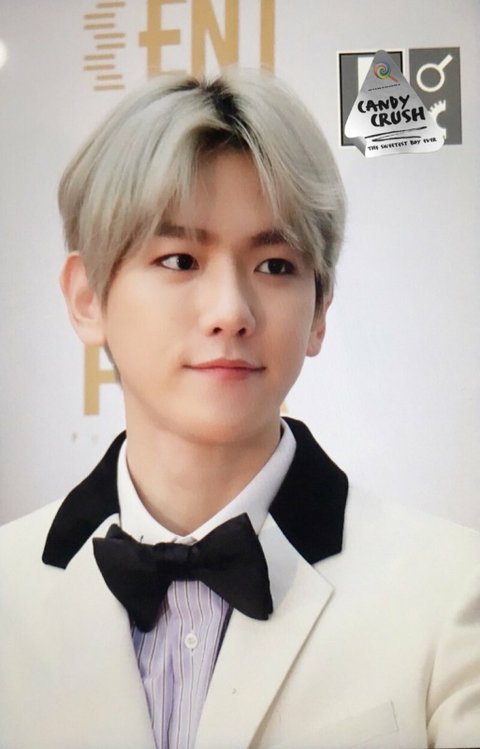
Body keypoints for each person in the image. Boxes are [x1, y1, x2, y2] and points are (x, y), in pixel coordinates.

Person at [0, 69, 479, 749]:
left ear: (320, 310)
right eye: (179, 259)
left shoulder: (454, 590)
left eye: (276, 265)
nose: (230, 311)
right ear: (87, 298)